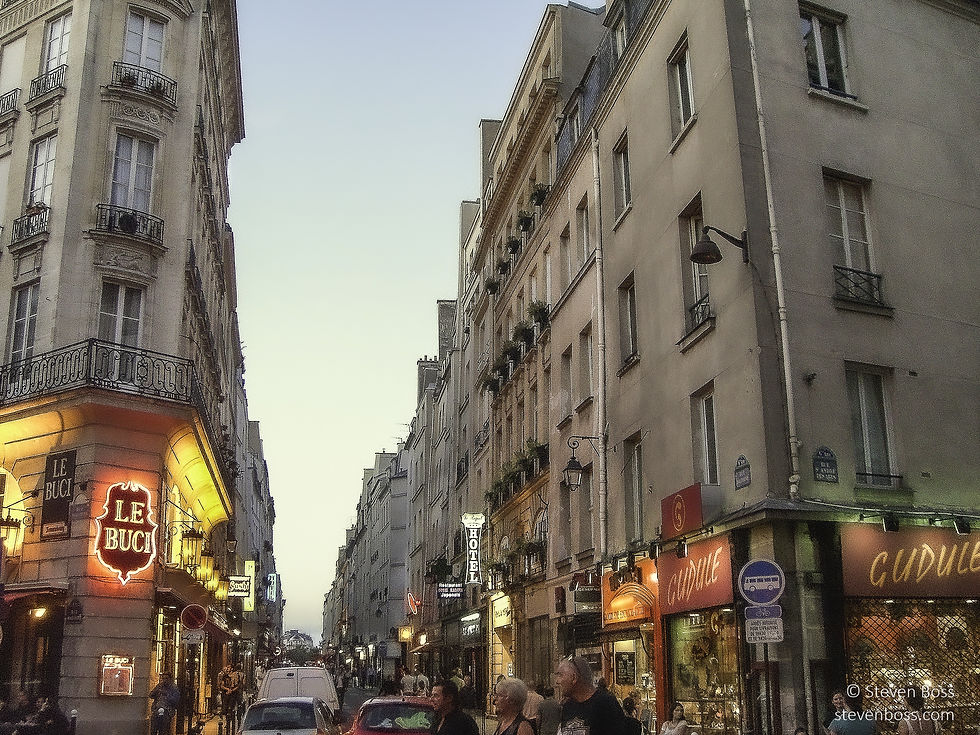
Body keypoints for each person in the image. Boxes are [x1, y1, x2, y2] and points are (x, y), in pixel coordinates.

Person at [554, 656, 625, 735]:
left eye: (560, 675)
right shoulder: (567, 707)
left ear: (574, 678)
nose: (557, 681)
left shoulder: (606, 703)